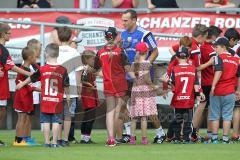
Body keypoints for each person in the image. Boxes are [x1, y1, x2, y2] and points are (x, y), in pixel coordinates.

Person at [121, 9, 165, 144]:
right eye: (122, 20)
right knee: (123, 104)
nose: (123, 23)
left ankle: (160, 132)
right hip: (127, 75)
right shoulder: (122, 34)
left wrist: (145, 65)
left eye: (126, 20)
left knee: (149, 110)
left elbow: (155, 51)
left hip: (143, 78)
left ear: (134, 20)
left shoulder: (145, 34)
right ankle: (128, 133)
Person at [16, 43, 70, 148]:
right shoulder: (63, 70)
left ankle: (46, 142)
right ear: (57, 55)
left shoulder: (42, 69)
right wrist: (68, 97)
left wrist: (22, 84)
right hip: (57, 101)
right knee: (55, 122)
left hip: (45, 100)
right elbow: (66, 85)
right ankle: (54, 142)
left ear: (46, 54)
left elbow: (32, 78)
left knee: (45, 122)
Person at [167, 24, 208, 142]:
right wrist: (210, 62)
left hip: (181, 84)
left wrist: (178, 60)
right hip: (189, 84)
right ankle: (185, 136)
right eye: (205, 37)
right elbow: (197, 68)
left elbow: (171, 49)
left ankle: (174, 135)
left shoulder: (186, 44)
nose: (205, 40)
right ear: (200, 36)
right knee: (187, 114)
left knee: (179, 114)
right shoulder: (193, 47)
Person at [93, 27, 130, 146]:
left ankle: (110, 139)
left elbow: (95, 68)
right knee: (117, 112)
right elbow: (128, 69)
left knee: (110, 112)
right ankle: (113, 138)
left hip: (108, 83)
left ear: (105, 37)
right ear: (116, 36)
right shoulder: (120, 51)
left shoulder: (100, 52)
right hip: (120, 83)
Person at [162, 47, 205, 144]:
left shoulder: (174, 69)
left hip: (178, 99)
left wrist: (166, 82)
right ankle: (186, 138)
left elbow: (172, 85)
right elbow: (196, 85)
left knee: (177, 119)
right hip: (189, 99)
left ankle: (177, 138)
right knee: (188, 121)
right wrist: (200, 93)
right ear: (188, 57)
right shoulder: (192, 69)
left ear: (176, 57)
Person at [0, 23, 31, 146]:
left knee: (2, 110)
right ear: (2, 34)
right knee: (1, 111)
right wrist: (29, 74)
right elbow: (12, 67)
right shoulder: (2, 49)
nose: (11, 35)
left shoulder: (3, 49)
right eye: (9, 33)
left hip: (3, 85)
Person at [209, 37, 240, 144]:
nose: (215, 49)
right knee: (227, 116)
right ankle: (226, 139)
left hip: (218, 90)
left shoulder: (218, 58)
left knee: (215, 115)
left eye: (216, 47)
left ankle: (214, 139)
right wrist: (238, 90)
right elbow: (239, 76)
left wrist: (213, 86)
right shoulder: (236, 59)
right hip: (230, 91)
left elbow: (218, 71)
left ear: (223, 47)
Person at [56, 26, 82, 147]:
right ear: (70, 37)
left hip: (56, 87)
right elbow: (78, 72)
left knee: (58, 114)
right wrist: (78, 87)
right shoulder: (74, 52)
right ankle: (66, 139)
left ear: (59, 36)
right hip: (70, 87)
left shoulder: (54, 51)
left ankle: (58, 139)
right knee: (68, 115)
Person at [129, 42, 158, 145]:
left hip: (135, 91)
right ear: (146, 52)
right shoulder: (147, 64)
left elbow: (133, 77)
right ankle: (144, 139)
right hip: (145, 92)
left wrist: (137, 81)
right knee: (144, 117)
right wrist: (154, 86)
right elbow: (147, 79)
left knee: (134, 117)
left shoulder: (133, 64)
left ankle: (132, 139)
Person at [197, 26, 222, 143]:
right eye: (217, 37)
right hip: (210, 82)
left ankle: (194, 132)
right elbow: (215, 67)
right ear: (213, 36)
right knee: (211, 109)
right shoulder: (212, 50)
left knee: (202, 108)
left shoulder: (201, 47)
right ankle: (209, 133)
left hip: (202, 82)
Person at [13, 47, 40, 146]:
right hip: (21, 99)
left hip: (26, 98)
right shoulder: (23, 70)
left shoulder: (27, 69)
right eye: (34, 57)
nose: (36, 58)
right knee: (21, 118)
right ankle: (18, 140)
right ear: (29, 57)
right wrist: (42, 90)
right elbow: (29, 86)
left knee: (24, 119)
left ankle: (22, 139)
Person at [77, 50, 99, 144]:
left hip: (90, 93)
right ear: (87, 59)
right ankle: (86, 138)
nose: (94, 60)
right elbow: (82, 80)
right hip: (88, 94)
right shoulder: (86, 68)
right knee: (90, 116)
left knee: (87, 116)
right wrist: (91, 85)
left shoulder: (88, 67)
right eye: (92, 59)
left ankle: (83, 137)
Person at [224, 28, 240, 141]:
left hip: (221, 85)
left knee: (222, 110)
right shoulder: (235, 54)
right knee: (236, 108)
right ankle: (235, 134)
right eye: (235, 41)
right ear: (232, 39)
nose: (236, 44)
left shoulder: (218, 51)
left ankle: (214, 135)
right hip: (234, 83)